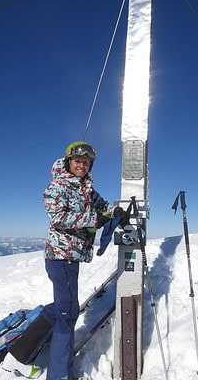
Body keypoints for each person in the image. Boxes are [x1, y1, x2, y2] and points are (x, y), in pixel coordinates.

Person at [41, 141, 122, 380]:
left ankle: (33, 339)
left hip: (70, 259)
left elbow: (103, 207)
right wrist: (94, 219)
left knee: (63, 307)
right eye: (78, 161)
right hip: (60, 257)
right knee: (67, 315)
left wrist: (116, 210)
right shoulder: (57, 186)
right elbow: (58, 217)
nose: (82, 165)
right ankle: (59, 375)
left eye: (86, 162)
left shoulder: (85, 189)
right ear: (69, 162)